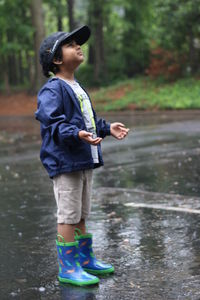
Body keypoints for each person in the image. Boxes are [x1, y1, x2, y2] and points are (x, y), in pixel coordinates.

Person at [35, 25, 129, 286]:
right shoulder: (53, 89)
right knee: (68, 215)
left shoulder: (76, 86)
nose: (79, 47)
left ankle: (85, 261)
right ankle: (68, 268)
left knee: (81, 213)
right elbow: (52, 123)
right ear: (56, 59)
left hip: (83, 159)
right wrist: (75, 134)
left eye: (79, 43)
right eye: (70, 44)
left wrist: (106, 128)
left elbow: (87, 121)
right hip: (65, 162)